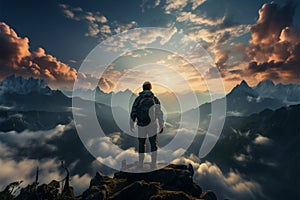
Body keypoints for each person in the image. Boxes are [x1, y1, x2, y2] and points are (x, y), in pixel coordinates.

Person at [130, 81, 164, 169]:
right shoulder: (155, 99)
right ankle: (153, 164)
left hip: (141, 124)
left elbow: (134, 111)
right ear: (150, 88)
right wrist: (161, 124)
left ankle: (141, 164)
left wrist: (132, 123)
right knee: (153, 144)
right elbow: (159, 112)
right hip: (152, 125)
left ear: (143, 88)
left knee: (142, 144)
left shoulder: (138, 99)